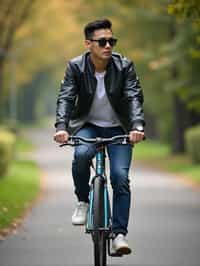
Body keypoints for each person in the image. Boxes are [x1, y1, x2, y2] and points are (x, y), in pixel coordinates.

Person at [54, 18, 145, 255]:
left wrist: (136, 126)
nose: (108, 45)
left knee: (120, 177)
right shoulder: (75, 67)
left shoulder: (124, 66)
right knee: (82, 154)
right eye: (102, 41)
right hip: (88, 125)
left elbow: (134, 96)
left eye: (111, 41)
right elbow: (66, 97)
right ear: (88, 44)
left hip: (119, 129)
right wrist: (62, 127)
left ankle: (119, 234)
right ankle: (83, 200)